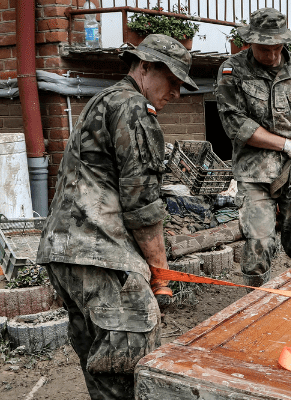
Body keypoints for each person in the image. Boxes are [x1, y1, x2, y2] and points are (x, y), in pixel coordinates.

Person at [36, 34, 197, 399]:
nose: (175, 92)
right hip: (99, 251)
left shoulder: (103, 101)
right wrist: (161, 273)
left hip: (65, 250)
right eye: (170, 80)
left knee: (103, 365)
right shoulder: (133, 106)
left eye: (180, 84)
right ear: (144, 66)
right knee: (131, 355)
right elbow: (141, 201)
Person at [215, 8, 291, 287]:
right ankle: (254, 304)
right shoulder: (232, 70)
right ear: (250, 41)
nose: (273, 55)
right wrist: (285, 144)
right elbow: (235, 125)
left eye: (278, 47)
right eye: (266, 48)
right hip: (255, 172)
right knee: (259, 242)